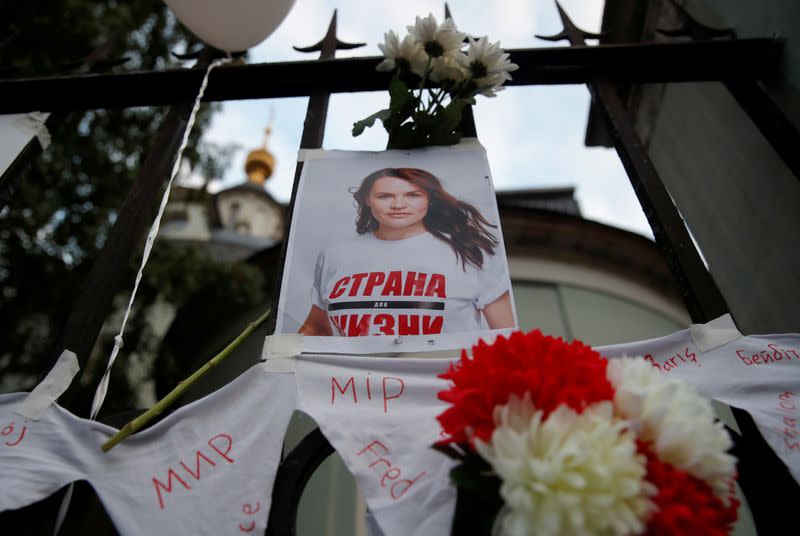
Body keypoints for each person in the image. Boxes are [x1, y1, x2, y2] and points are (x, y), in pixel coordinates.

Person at [298, 167, 515, 336]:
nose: (398, 204)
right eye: (385, 196)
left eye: (412, 195)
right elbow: (317, 329)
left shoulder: (470, 252)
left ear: (429, 199)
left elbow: (507, 337)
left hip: (446, 387)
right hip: (356, 388)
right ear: (367, 199)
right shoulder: (335, 256)